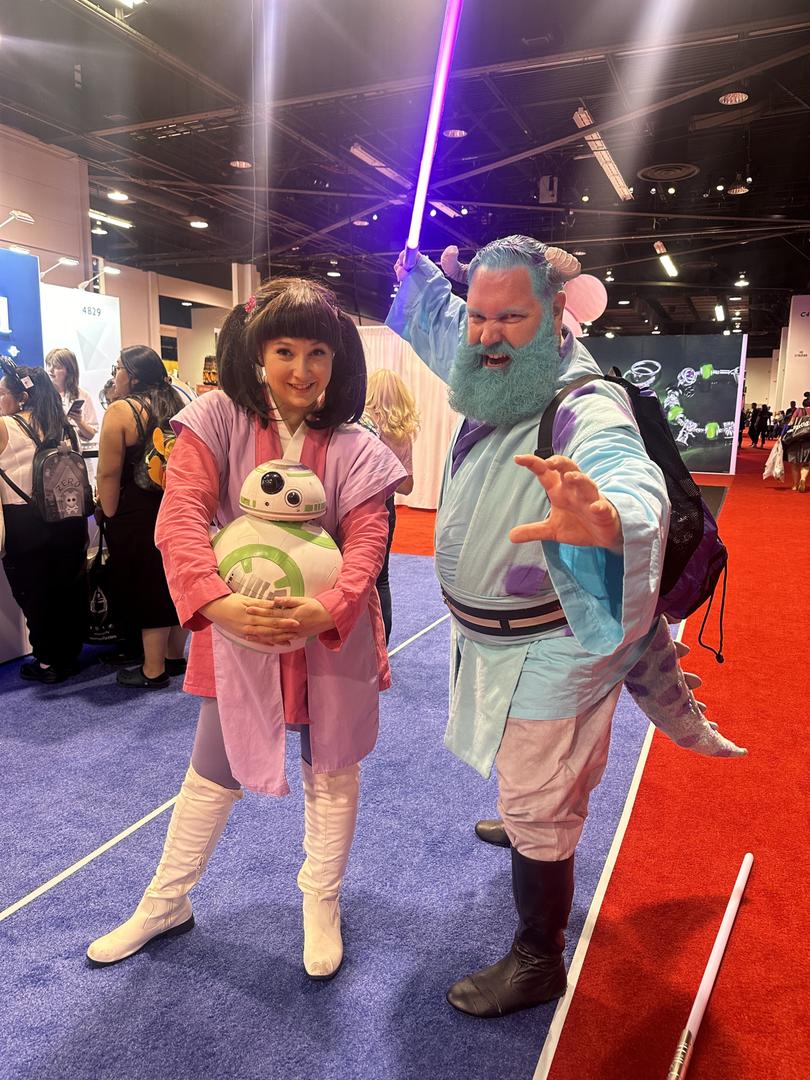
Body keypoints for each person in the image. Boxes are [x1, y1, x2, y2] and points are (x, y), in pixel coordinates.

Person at [386, 236, 676, 1019]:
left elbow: (623, 468)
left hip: (558, 639)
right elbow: (441, 324)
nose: (486, 333)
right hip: (491, 635)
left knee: (542, 798)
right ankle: (525, 820)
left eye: (510, 316)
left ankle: (538, 956)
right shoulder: (488, 357)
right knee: (528, 777)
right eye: (480, 315)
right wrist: (415, 283)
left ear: (556, 321)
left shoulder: (584, 399)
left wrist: (612, 518)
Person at [86, 278, 405, 980]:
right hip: (238, 632)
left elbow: (369, 537)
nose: (301, 368)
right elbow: (181, 516)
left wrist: (334, 606)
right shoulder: (215, 420)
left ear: (337, 360)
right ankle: (166, 900)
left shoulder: (357, 443)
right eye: (284, 349)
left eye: (317, 352)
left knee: (334, 768)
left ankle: (320, 901)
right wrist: (216, 604)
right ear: (257, 352)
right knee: (210, 771)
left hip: (331, 634)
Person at [96, 346, 188, 687]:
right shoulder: (177, 403)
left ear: (132, 375)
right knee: (174, 582)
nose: (114, 374)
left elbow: (108, 473)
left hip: (136, 510)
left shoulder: (121, 411)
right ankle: (175, 658)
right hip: (176, 506)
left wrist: (108, 513)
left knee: (147, 585)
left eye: (118, 367)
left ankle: (152, 670)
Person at [0, 362, 88, 682]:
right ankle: (68, 653)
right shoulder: (61, 425)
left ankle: (48, 661)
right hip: (66, 517)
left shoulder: (4, 426)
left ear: (21, 397)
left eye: (2, 393)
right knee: (65, 585)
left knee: (33, 592)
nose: (0, 400)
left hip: (24, 520)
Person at [363, 368, 419, 642]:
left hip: (359, 508)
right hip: (387, 508)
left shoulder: (357, 426)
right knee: (381, 579)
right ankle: (381, 644)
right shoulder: (401, 435)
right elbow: (407, 486)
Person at [45, 347, 99, 448]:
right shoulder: (41, 395)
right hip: (49, 453)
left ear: (69, 371)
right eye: (49, 365)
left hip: (75, 455)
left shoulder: (82, 395)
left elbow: (90, 434)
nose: (51, 370)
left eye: (57, 367)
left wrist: (79, 421)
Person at [784, 402, 810, 492]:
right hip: (808, 441)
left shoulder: (798, 410)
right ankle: (802, 479)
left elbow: (790, 423)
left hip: (795, 440)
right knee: (806, 463)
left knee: (794, 463)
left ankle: (795, 485)